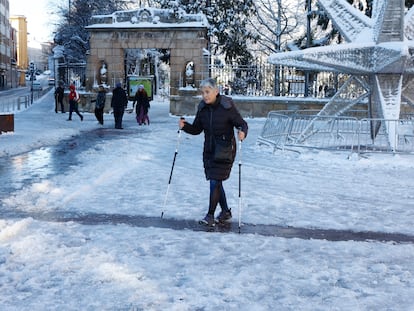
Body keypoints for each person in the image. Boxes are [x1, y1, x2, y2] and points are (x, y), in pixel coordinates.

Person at [179, 78, 248, 227]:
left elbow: (242, 124)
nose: (205, 95)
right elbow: (197, 129)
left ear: (216, 92)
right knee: (216, 182)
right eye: (203, 92)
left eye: (207, 92)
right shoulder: (203, 108)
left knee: (215, 181)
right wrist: (185, 126)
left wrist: (243, 132)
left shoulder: (227, 107)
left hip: (225, 150)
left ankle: (210, 215)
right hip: (209, 150)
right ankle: (225, 212)